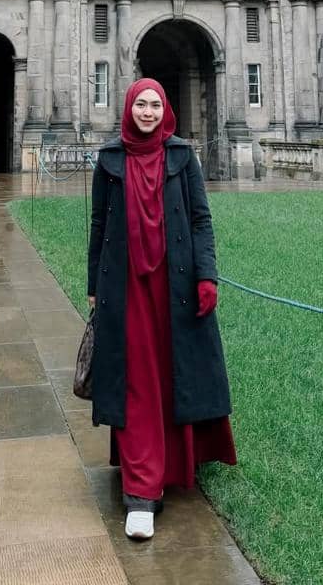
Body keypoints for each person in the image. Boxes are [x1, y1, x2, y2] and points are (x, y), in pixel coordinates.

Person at [87, 77, 236, 540]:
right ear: (129, 107)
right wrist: (94, 284)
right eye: (141, 105)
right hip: (127, 285)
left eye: (155, 105)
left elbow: (199, 218)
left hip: (175, 284)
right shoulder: (110, 159)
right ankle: (140, 491)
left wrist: (206, 275)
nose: (148, 112)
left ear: (164, 108)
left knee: (174, 373)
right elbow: (98, 223)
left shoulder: (181, 155)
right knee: (135, 379)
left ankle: (177, 460)